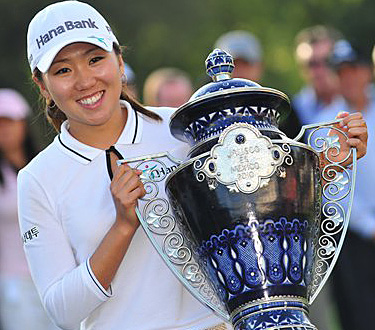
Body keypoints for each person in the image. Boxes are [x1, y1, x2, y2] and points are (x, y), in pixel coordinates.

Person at [18, 2, 368, 330]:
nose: (84, 80)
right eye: (63, 69)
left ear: (119, 62)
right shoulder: (38, 179)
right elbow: (62, 310)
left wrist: (326, 167)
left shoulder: (187, 130)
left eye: (95, 59)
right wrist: (123, 226)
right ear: (42, 85)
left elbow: (259, 209)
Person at [315, 39, 375, 330]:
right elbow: (333, 191)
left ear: (368, 71)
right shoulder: (325, 123)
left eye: (354, 70)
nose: (349, 78)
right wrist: (370, 226)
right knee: (362, 317)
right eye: (342, 73)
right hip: (354, 237)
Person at [0, 89, 58, 330]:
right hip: (14, 280)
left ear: (23, 123)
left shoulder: (45, 164)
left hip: (55, 272)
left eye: (9, 122)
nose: (5, 131)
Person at [214, 29, 301, 139]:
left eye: (246, 64)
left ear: (260, 66)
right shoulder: (205, 108)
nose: (240, 70)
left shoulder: (278, 103)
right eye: (232, 66)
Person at [293, 25, 343, 125]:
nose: (320, 71)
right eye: (312, 64)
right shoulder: (293, 111)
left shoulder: (366, 101)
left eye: (327, 61)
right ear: (301, 68)